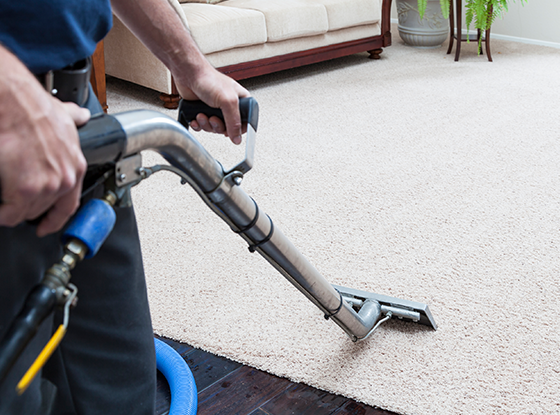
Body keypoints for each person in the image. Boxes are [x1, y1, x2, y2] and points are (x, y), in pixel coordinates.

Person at [0, 0, 249, 413]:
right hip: (12, 124)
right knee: (16, 392)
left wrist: (191, 69)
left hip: (78, 108)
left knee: (123, 380)